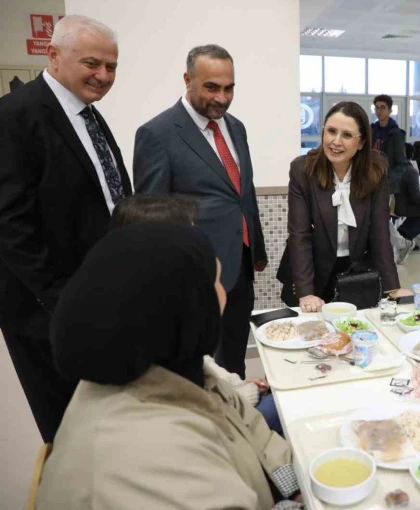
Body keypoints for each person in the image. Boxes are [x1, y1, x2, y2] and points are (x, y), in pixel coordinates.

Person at [36, 223, 301, 510]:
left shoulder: (176, 365)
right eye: (215, 281)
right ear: (183, 307)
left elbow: (246, 419)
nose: (223, 293)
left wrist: (293, 488)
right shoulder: (142, 459)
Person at [0, 15, 132, 443]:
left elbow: (107, 195)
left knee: (104, 416)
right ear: (53, 55)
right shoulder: (15, 116)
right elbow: (10, 225)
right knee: (70, 431)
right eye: (92, 63)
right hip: (48, 311)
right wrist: (62, 299)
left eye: (111, 67)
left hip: (98, 296)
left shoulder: (87, 115)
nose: (104, 76)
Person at [133, 44, 267, 379]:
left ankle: (236, 416)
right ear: (187, 80)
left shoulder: (236, 127)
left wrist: (257, 249)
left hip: (239, 268)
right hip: (195, 276)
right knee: (198, 367)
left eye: (229, 88)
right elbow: (150, 216)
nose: (222, 98)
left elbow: (243, 193)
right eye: (211, 87)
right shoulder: (157, 134)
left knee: (233, 361)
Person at [109, 194, 284, 436]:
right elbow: (202, 413)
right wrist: (245, 393)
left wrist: (236, 384)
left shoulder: (149, 300)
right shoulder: (145, 330)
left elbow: (202, 364)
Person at [277, 101, 405, 312]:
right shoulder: (302, 170)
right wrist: (306, 292)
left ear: (361, 142)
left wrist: (392, 287)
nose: (336, 142)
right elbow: (299, 235)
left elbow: (380, 232)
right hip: (311, 269)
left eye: (347, 135)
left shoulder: (375, 170)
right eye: (331, 131)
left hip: (355, 270)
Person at [371, 94, 415, 263]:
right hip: (370, 181)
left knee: (379, 218)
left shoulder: (396, 134)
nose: (379, 111)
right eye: (377, 107)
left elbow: (402, 163)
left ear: (389, 110)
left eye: (382, 107)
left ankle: (399, 245)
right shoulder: (373, 130)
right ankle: (401, 244)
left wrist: (388, 179)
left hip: (385, 184)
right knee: (377, 218)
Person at [395, 147, 420, 242]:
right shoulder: (410, 171)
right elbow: (416, 197)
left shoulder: (393, 168)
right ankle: (405, 236)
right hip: (403, 206)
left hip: (395, 203)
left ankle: (402, 233)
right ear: (411, 155)